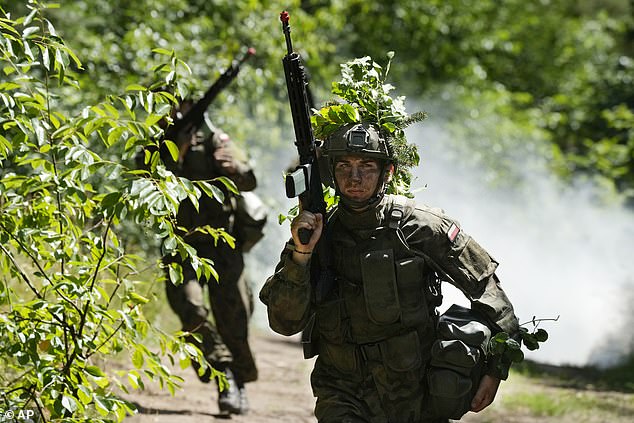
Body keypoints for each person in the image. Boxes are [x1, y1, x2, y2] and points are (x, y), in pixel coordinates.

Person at [259, 119, 520, 422]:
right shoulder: (316, 234)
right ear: (331, 172)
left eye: (366, 166)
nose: (354, 177)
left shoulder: (422, 228)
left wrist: (494, 371)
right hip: (342, 392)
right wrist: (302, 254)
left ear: (388, 172)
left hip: (416, 395)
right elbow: (284, 323)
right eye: (344, 166)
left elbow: (490, 293)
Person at [157, 101, 259, 416]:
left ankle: (237, 380)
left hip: (222, 245)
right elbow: (147, 179)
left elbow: (248, 180)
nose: (176, 110)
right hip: (181, 245)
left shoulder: (215, 137)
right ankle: (223, 370)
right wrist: (177, 154)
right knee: (192, 308)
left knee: (234, 317)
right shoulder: (159, 143)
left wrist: (234, 169)